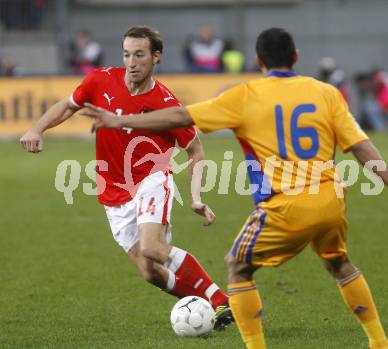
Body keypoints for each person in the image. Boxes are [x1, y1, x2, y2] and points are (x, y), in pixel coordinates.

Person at [83, 27, 388, 349]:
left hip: (283, 206)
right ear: (296, 56)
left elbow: (180, 118)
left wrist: (122, 120)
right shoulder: (326, 93)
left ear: (259, 62)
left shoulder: (246, 96)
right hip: (331, 202)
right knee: (340, 264)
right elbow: (360, 145)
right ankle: (379, 342)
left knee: (238, 267)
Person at [19, 26, 233, 330]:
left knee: (153, 248)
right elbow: (69, 105)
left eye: (140, 55)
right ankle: (209, 310)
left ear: (156, 57)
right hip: (113, 193)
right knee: (151, 272)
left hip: (152, 179)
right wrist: (37, 128)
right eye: (126, 54)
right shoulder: (100, 79)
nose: (131, 62)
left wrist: (196, 197)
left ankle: (221, 300)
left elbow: (195, 150)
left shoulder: (166, 104)